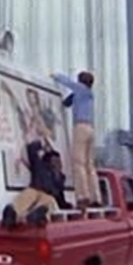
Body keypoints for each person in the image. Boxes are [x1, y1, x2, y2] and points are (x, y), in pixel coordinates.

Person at [52, 70, 98, 208]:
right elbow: (68, 102)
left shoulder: (81, 89)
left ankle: (83, 196)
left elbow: (68, 82)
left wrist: (55, 76)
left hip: (81, 127)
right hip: (91, 128)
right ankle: (95, 197)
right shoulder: (87, 94)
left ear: (81, 81)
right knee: (89, 165)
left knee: (79, 163)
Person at [1, 141, 71, 229]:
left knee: (49, 203)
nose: (58, 164)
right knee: (27, 197)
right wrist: (40, 143)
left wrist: (68, 206)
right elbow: (32, 152)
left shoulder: (61, 179)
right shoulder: (40, 167)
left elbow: (61, 200)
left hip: (47, 197)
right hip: (34, 190)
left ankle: (36, 215)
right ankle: (12, 214)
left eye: (58, 162)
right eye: (55, 161)